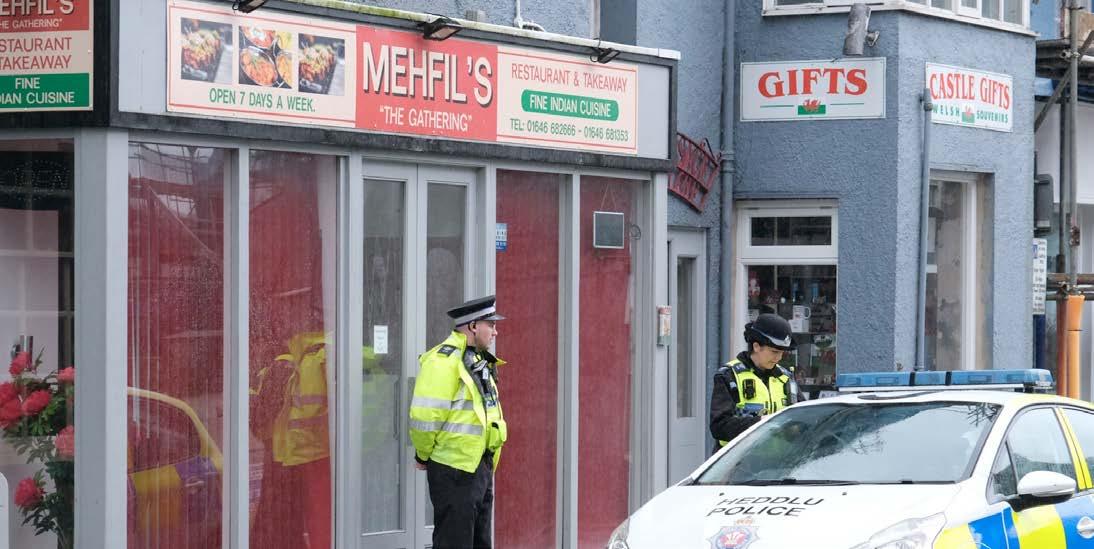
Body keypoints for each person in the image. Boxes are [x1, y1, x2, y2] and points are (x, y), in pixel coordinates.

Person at [409, 295, 508, 549]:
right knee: (454, 542)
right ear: (473, 326)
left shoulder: (477, 360)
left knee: (479, 542)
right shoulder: (443, 361)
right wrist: (423, 455)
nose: (495, 331)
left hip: (480, 467)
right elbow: (425, 417)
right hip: (455, 471)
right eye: (490, 324)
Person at [709, 313, 801, 449]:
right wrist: (761, 423)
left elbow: (803, 417)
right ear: (756, 346)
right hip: (740, 460)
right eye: (774, 352)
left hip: (782, 460)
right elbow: (719, 427)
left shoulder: (786, 378)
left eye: (782, 352)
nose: (779, 358)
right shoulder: (729, 376)